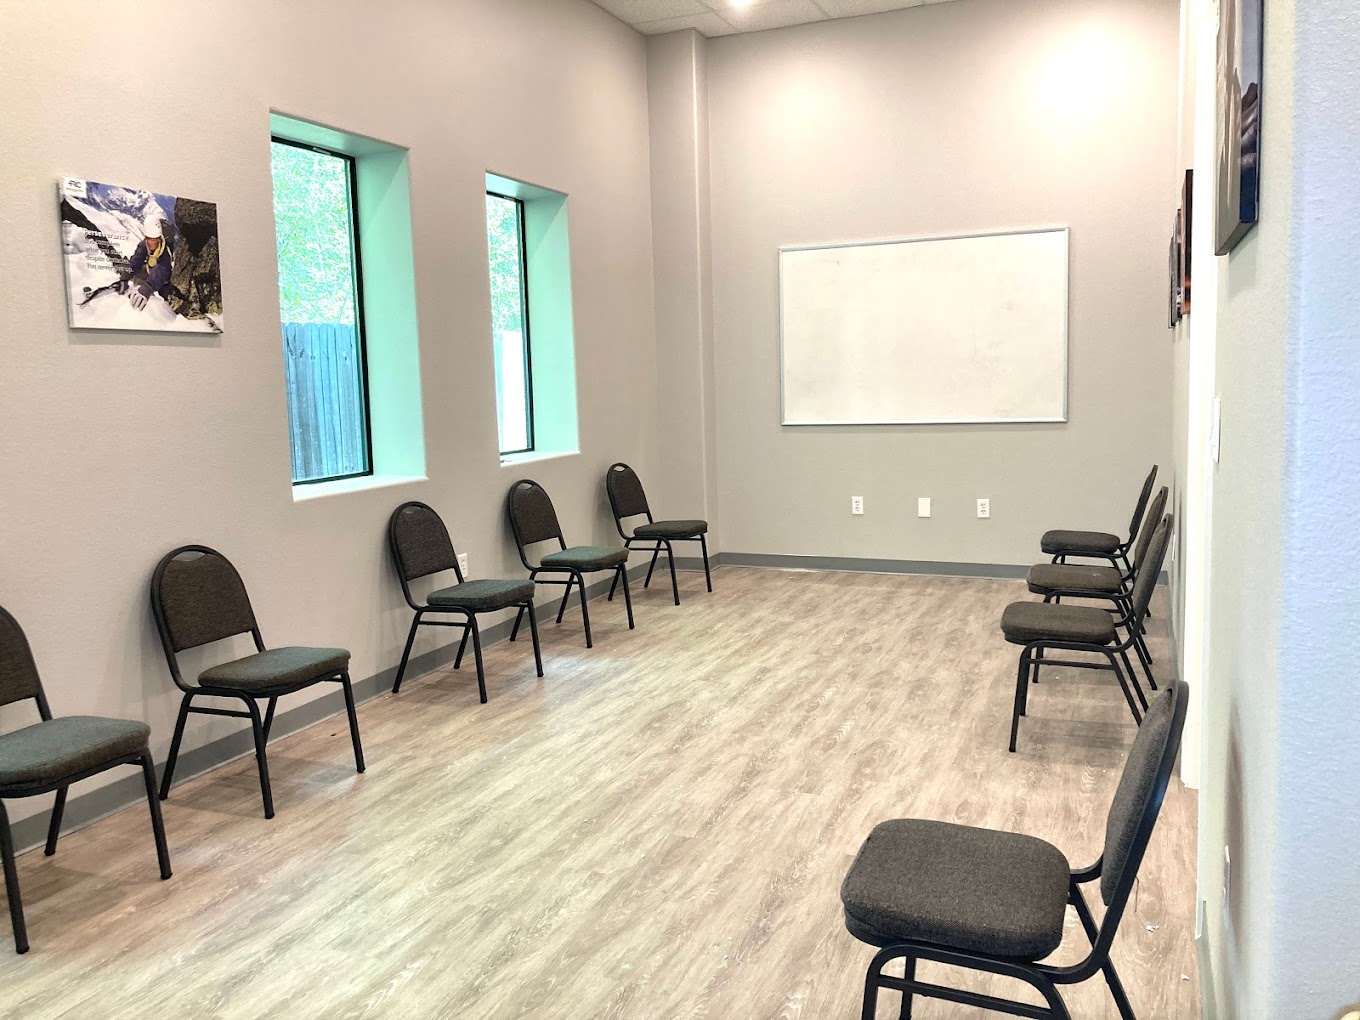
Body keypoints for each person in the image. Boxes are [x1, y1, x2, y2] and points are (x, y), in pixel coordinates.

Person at [120, 216, 173, 311]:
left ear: (159, 239)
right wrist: (125, 277)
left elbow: (162, 269)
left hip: (162, 277)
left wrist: (147, 288)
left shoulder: (165, 251)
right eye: (148, 239)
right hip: (150, 270)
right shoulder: (143, 245)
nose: (151, 242)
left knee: (166, 291)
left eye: (154, 239)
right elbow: (136, 260)